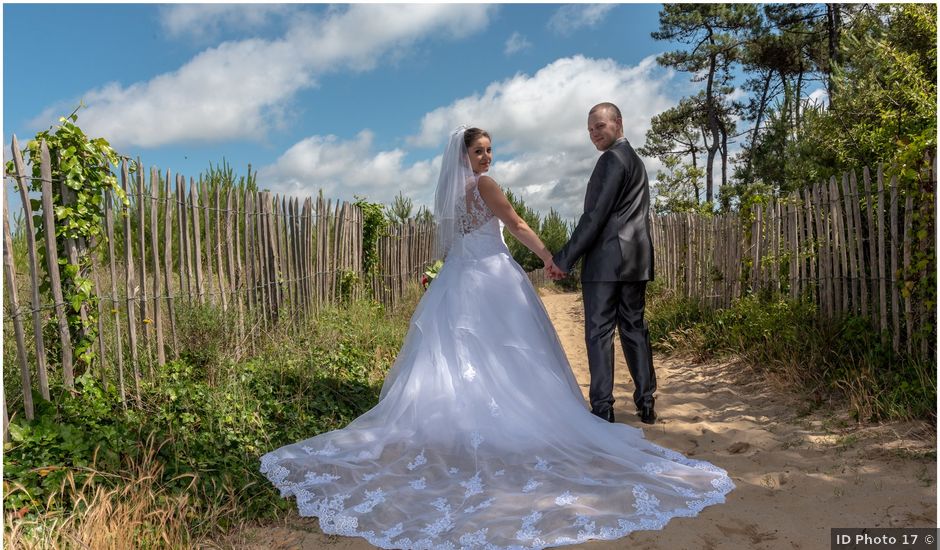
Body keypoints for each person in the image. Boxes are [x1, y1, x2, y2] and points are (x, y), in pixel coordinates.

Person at [260, 126, 732, 549]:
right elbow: (517, 225)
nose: (487, 157)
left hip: (458, 278)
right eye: (480, 151)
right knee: (506, 351)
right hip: (490, 277)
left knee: (458, 353)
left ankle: (462, 421)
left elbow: (456, 240)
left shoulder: (451, 196)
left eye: (490, 150)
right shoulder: (484, 186)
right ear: (465, 156)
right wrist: (553, 256)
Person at [547, 102, 658, 426]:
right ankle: (646, 403)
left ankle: (603, 408)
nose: (594, 134)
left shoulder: (611, 159)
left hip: (608, 261)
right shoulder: (635, 160)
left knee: (599, 333)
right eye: (590, 129)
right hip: (636, 259)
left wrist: (564, 258)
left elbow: (594, 217)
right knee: (635, 328)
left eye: (600, 126)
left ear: (618, 123)